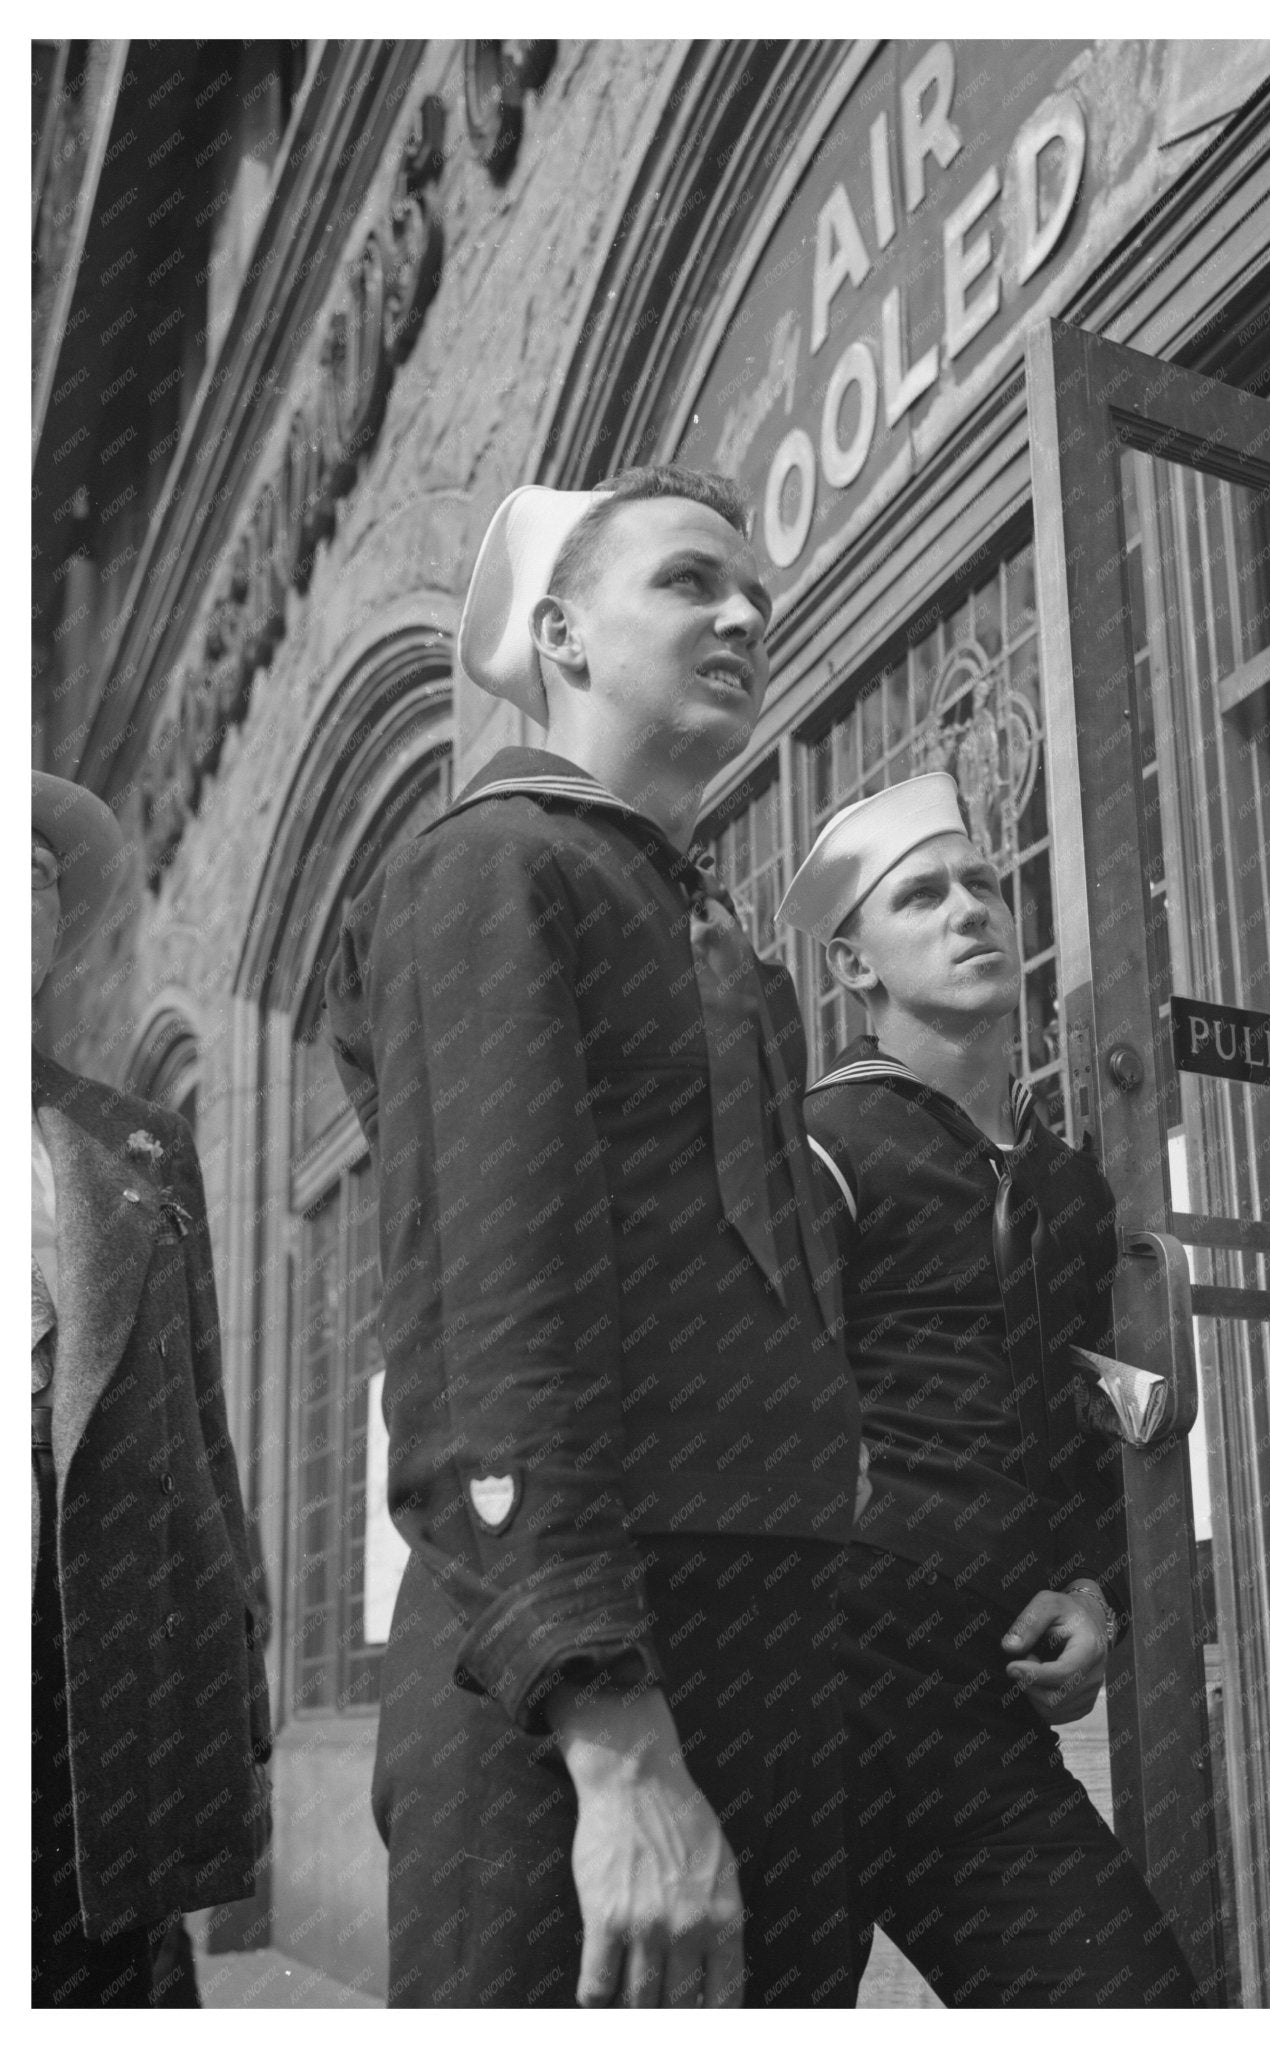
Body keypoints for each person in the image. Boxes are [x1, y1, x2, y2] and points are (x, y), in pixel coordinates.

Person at [325, 467, 863, 2008]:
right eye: (689, 581)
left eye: (755, 589)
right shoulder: (494, 869)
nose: (744, 612)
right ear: (559, 633)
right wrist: (614, 1745)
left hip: (763, 1647)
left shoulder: (700, 924)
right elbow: (487, 1301)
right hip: (580, 1683)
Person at [779, 773, 1196, 2008]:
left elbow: (1080, 1423)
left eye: (982, 882)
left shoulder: (1066, 1180)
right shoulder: (816, 1148)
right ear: (856, 969)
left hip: (974, 1726)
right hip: (805, 1713)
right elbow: (746, 1425)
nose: (968, 909)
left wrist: (1093, 1593)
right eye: (922, 895)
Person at [31, 772, 271, 2009]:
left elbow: (204, 1434)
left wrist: (235, 1670)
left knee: (109, 1962)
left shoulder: (134, 1144)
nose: (19, 901)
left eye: (37, 882)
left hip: (93, 1633)